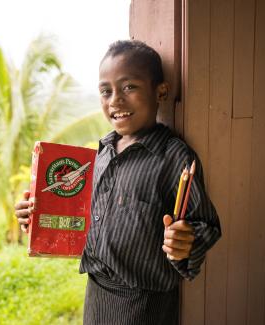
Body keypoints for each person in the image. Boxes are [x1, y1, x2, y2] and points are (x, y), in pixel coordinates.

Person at [15, 40, 221, 325]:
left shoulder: (173, 157)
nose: (115, 100)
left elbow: (206, 225)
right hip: (97, 294)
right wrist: (39, 216)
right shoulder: (101, 153)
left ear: (160, 91)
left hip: (144, 305)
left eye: (129, 87)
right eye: (105, 91)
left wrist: (186, 241)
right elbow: (86, 214)